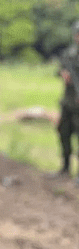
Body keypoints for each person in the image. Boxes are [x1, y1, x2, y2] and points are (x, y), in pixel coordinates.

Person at [56, 21, 79, 178]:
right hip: (68, 101)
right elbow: (59, 69)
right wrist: (63, 74)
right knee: (63, 133)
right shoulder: (69, 53)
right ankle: (65, 168)